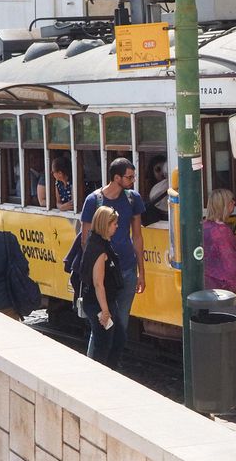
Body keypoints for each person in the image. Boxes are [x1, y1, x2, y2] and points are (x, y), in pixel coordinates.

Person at [80, 157, 145, 362]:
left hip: (126, 268)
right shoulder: (94, 200)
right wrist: (97, 268)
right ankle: (96, 367)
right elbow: (86, 240)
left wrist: (141, 272)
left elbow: (137, 236)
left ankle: (112, 366)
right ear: (116, 178)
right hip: (104, 273)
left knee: (121, 323)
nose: (133, 180)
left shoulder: (133, 199)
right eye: (129, 177)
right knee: (102, 323)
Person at [80, 205, 126, 368]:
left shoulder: (101, 242)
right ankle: (103, 375)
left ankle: (110, 370)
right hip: (99, 303)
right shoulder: (99, 249)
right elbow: (98, 283)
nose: (117, 226)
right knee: (104, 343)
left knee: (118, 338)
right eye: (114, 223)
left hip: (106, 301)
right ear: (105, 225)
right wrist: (105, 310)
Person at [202, 189, 236, 293]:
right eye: (231, 200)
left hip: (205, 284)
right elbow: (231, 263)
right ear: (224, 205)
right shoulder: (223, 231)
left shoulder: (203, 226)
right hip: (221, 288)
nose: (234, 203)